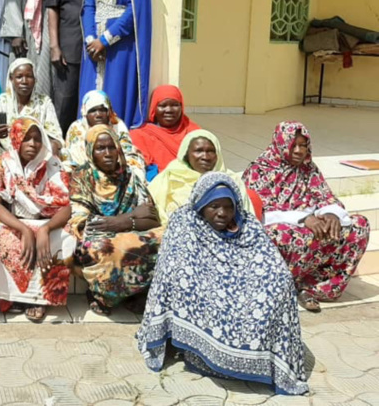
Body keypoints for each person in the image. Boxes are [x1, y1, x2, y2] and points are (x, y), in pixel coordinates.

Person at [136, 172, 309, 396]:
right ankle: (202, 352)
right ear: (200, 205)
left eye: (228, 207)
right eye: (214, 206)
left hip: (244, 287)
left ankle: (261, 361)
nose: (222, 213)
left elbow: (270, 262)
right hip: (203, 286)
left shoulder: (247, 225)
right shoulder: (185, 222)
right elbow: (173, 266)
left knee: (282, 282)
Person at [243, 121, 371, 312]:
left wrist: (330, 213)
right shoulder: (259, 170)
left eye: (303, 145)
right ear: (280, 143)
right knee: (286, 234)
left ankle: (313, 287)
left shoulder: (308, 169)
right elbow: (255, 214)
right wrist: (302, 219)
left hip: (311, 227)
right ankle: (281, 287)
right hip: (279, 231)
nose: (298, 151)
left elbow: (327, 197)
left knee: (359, 225)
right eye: (292, 145)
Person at [0, 117, 74, 322]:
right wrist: (23, 229)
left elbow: (66, 207)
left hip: (45, 221)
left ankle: (39, 298)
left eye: (37, 139)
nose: (32, 144)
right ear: (15, 139)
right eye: (26, 139)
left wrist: (45, 229)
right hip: (14, 221)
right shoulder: (3, 162)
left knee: (68, 233)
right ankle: (9, 297)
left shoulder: (52, 163)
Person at [69, 126, 162, 315]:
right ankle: (102, 296)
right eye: (100, 148)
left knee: (166, 238)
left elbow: (152, 218)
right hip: (97, 238)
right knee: (99, 248)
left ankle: (139, 293)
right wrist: (130, 217)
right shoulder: (82, 177)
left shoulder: (129, 176)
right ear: (90, 151)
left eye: (111, 147)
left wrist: (123, 223)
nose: (108, 153)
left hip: (129, 232)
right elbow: (86, 222)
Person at [79, 0, 153, 129]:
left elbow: (135, 10)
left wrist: (105, 39)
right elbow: (89, 6)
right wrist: (92, 39)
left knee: (115, 92)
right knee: (91, 94)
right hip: (93, 47)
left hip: (120, 44)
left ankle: (116, 142)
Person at [47, 0, 99, 134]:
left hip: (103, 43)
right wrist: (55, 46)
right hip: (70, 45)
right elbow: (52, 5)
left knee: (98, 101)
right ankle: (63, 150)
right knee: (66, 102)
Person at [150, 129, 259, 226]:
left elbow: (246, 216)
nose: (205, 157)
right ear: (186, 154)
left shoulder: (230, 180)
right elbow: (153, 209)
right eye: (198, 151)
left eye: (210, 151)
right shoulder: (169, 176)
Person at [0, 58, 63, 164]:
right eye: (19, 77)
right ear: (11, 79)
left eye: (29, 76)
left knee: (61, 152)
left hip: (35, 153)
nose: (24, 81)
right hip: (8, 155)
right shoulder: (0, 102)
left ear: (35, 79)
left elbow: (55, 136)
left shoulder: (44, 102)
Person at [65, 90, 143, 182]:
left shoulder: (117, 124)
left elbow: (127, 150)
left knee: (136, 157)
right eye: (93, 110)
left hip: (115, 168)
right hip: (86, 171)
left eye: (102, 110)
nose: (98, 115)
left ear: (109, 111)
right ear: (85, 113)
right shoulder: (77, 128)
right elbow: (75, 157)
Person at [130, 85, 200, 180]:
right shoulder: (140, 134)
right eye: (162, 105)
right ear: (154, 108)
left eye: (175, 105)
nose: (169, 110)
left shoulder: (194, 131)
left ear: (181, 107)